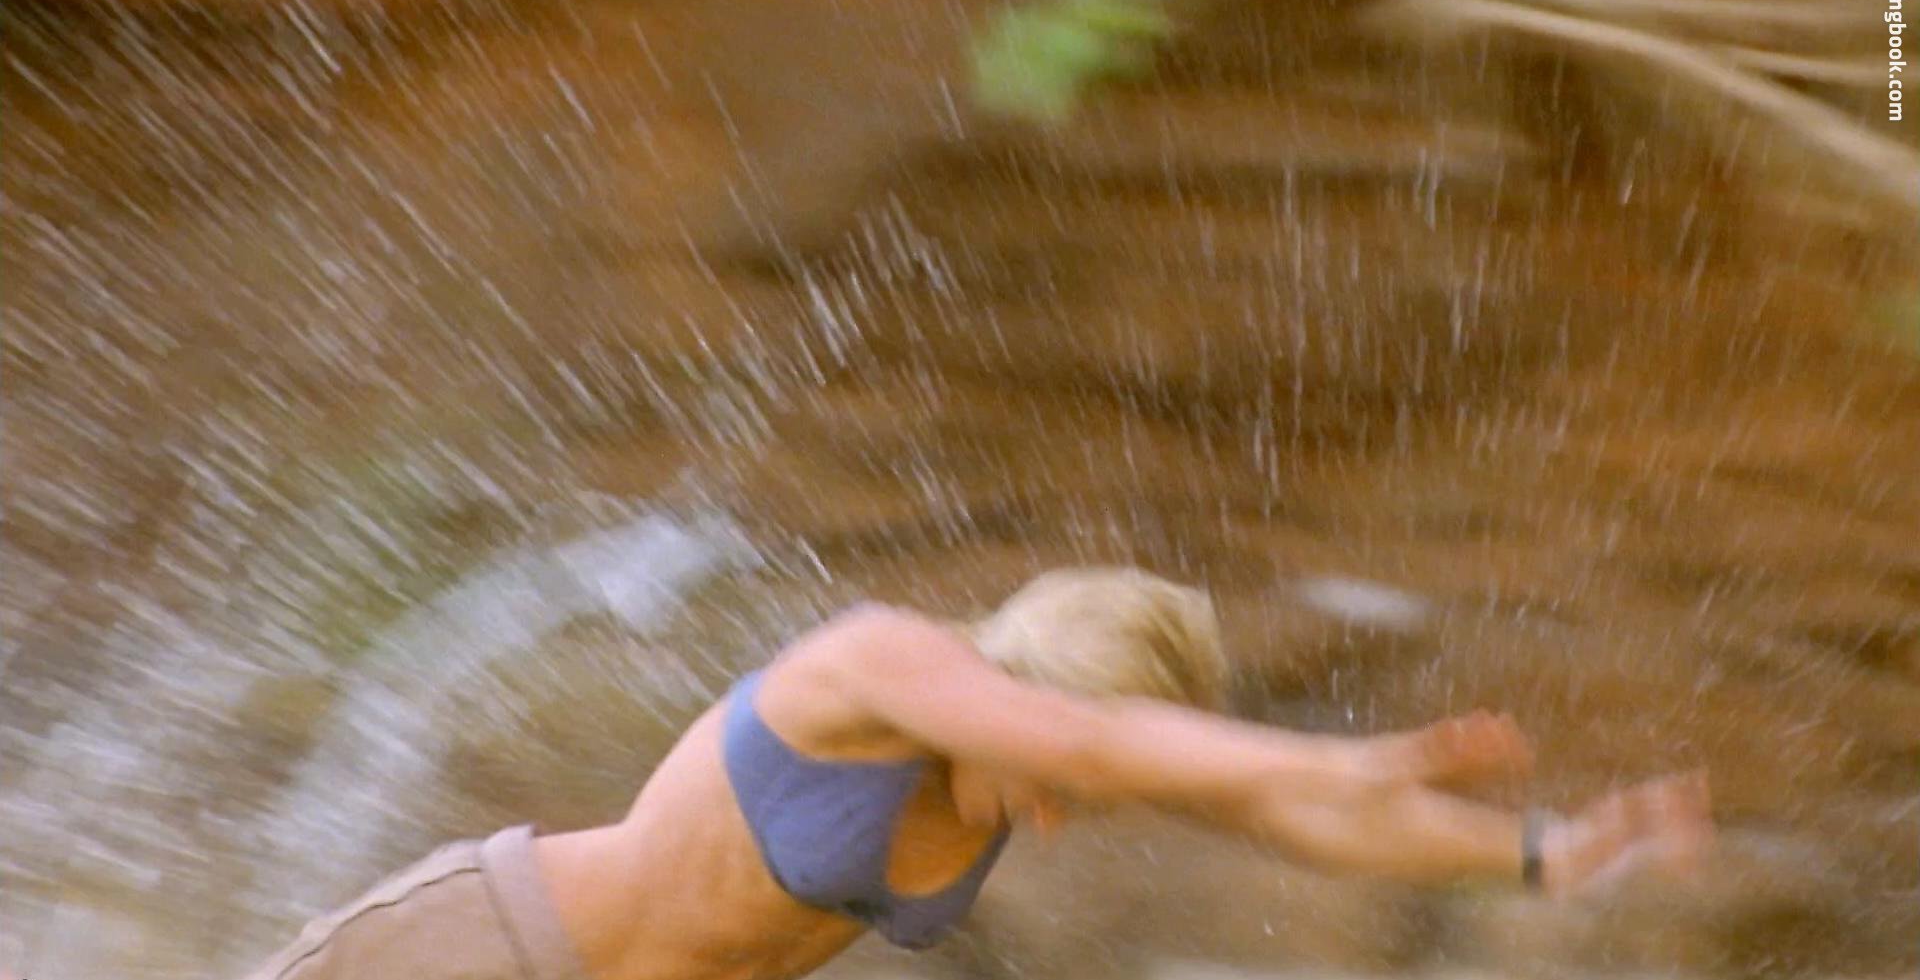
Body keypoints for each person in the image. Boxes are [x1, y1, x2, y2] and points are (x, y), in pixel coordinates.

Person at [242, 568, 1712, 980]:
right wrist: (1343, 748)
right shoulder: (877, 666)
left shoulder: (1067, 751)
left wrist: (1541, 852)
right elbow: (1084, 747)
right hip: (481, 952)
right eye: (1062, 767)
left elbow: (1294, 822)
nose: (1063, 816)